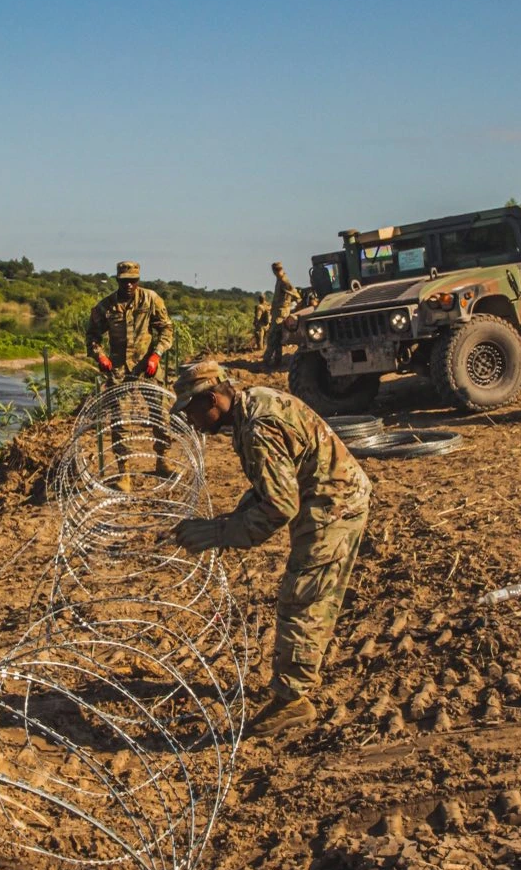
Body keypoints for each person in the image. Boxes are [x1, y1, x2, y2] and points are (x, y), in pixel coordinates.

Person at [167, 361, 371, 737]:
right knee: (309, 594)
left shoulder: (258, 427)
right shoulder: (253, 405)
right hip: (324, 496)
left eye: (192, 411)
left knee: (302, 598)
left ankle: (293, 700)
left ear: (213, 398)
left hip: (333, 504)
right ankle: (300, 679)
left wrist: (219, 533)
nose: (192, 422)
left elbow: (279, 506)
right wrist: (230, 521)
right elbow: (270, 487)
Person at [85, 260, 175, 383]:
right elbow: (92, 335)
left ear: (138, 280)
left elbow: (166, 328)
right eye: (124, 281)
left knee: (159, 400)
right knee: (115, 401)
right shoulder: (105, 306)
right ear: (117, 280)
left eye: (133, 281)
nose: (129, 285)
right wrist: (100, 356)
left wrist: (156, 355)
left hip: (147, 368)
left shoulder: (150, 299)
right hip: (118, 372)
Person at [262, 260, 299, 368]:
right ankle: (277, 361)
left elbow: (295, 293)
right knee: (277, 338)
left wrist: (288, 304)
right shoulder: (280, 280)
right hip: (278, 312)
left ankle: (266, 361)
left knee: (272, 337)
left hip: (280, 314)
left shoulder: (284, 281)